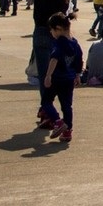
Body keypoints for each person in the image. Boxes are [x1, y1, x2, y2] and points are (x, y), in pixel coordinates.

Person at [19, 0, 71, 127]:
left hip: (42, 30)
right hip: (60, 34)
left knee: (45, 75)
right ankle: (48, 109)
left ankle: (47, 110)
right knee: (57, 74)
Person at [42, 12, 83, 142]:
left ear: (58, 28)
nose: (51, 33)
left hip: (57, 78)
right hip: (69, 79)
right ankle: (67, 131)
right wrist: (77, 75)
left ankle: (57, 121)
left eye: (52, 30)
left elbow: (54, 59)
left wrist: (48, 75)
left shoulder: (59, 43)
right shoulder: (75, 44)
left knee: (46, 102)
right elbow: (79, 60)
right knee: (67, 106)